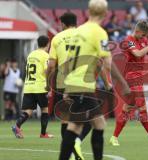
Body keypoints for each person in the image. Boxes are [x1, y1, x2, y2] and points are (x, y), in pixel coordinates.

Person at [58, 0, 127, 159]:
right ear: (105, 13)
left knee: (76, 126)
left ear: (88, 11)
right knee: (98, 124)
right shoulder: (99, 32)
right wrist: (121, 83)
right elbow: (107, 64)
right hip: (83, 85)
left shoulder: (78, 31)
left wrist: (67, 87)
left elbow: (68, 61)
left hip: (74, 83)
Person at [109, 20, 148, 146]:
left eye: (145, 36)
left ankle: (114, 137)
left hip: (138, 78)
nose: (144, 38)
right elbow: (137, 54)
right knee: (142, 108)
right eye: (143, 35)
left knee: (128, 108)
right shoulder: (128, 40)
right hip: (131, 77)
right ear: (137, 31)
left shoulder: (143, 41)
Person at [47, 12, 86, 160]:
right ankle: (76, 144)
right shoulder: (84, 35)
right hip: (81, 81)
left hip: (63, 82)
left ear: (63, 24)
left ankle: (68, 152)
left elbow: (51, 65)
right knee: (82, 118)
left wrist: (47, 83)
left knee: (65, 118)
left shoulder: (57, 38)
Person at [11, 36, 53, 138]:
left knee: (28, 111)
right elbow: (46, 71)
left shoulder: (31, 55)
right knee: (44, 109)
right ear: (48, 44)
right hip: (40, 86)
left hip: (29, 86)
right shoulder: (45, 56)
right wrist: (49, 86)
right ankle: (43, 134)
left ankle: (17, 125)